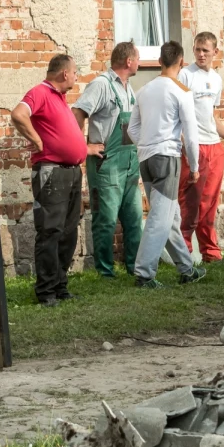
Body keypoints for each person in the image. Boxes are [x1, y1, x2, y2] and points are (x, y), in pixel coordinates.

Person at [11, 54, 95, 307]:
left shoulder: (59, 98)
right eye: (75, 72)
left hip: (70, 172)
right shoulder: (40, 92)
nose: (77, 76)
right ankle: (46, 291)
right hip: (52, 172)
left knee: (68, 233)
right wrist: (36, 140)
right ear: (64, 73)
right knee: (50, 231)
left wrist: (81, 149)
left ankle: (60, 287)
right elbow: (18, 114)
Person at [128, 41, 207, 289]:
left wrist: (146, 145)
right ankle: (144, 274)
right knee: (159, 219)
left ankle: (186, 269)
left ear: (160, 61)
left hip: (146, 158)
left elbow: (131, 129)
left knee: (169, 216)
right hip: (167, 158)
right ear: (181, 62)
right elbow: (191, 136)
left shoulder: (143, 90)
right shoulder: (181, 91)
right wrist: (194, 166)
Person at [71, 42, 143, 277]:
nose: (140, 63)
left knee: (134, 219)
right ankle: (105, 271)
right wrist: (83, 147)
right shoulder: (101, 84)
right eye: (138, 58)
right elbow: (76, 113)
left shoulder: (128, 88)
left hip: (129, 163)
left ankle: (136, 267)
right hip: (107, 163)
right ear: (129, 61)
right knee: (106, 220)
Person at [177, 32, 224, 263]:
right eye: (197, 49)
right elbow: (179, 114)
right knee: (190, 201)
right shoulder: (185, 75)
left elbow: (211, 117)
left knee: (210, 202)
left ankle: (210, 252)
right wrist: (185, 145)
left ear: (215, 52)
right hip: (195, 146)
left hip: (214, 146)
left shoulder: (216, 79)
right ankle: (184, 253)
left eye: (205, 50)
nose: (201, 54)